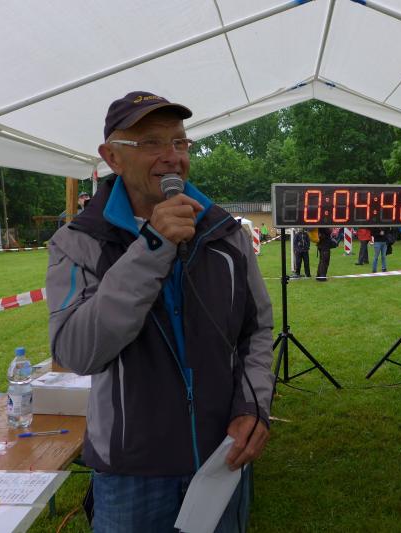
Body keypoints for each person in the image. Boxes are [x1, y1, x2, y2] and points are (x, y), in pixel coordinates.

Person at [45, 91, 274, 532]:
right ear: (112, 157)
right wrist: (153, 246)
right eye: (151, 142)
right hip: (131, 471)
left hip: (221, 456)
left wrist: (254, 405)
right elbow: (76, 352)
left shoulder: (225, 234)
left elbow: (256, 330)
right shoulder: (79, 242)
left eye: (180, 142)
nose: (172, 157)